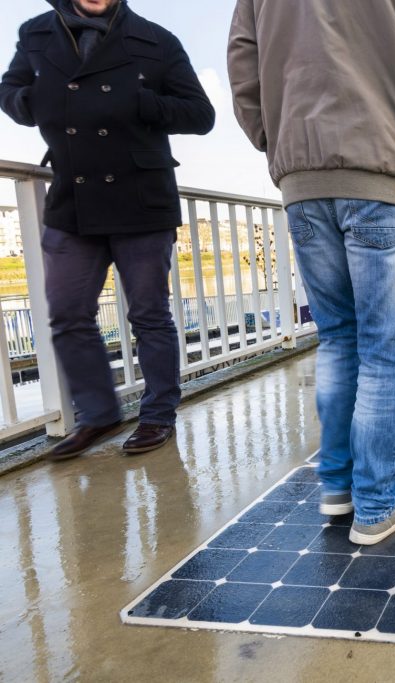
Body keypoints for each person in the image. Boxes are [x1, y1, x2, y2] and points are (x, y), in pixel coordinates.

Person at [228, 0, 395, 545]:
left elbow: (244, 67)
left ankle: (336, 487)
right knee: (383, 350)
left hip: (304, 179)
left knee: (336, 339)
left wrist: (284, 143)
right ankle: (379, 501)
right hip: (385, 170)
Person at [0, 0, 215, 461]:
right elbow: (10, 89)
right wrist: (30, 102)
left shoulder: (155, 40)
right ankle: (97, 414)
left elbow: (201, 114)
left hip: (141, 197)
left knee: (149, 316)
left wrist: (141, 103)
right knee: (67, 313)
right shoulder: (37, 34)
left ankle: (158, 415)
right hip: (72, 200)